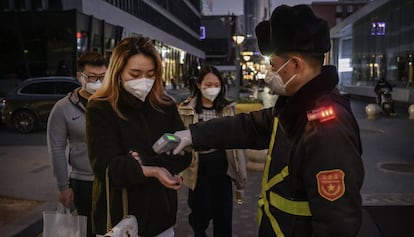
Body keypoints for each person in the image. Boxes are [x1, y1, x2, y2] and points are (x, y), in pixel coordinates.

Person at [166, 5, 365, 237]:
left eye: (273, 65)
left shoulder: (326, 128)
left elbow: (338, 224)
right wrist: (192, 135)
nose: (268, 74)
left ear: (296, 65)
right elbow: (248, 126)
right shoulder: (296, 109)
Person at [85, 35, 192, 237]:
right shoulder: (100, 107)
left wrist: (141, 162)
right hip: (119, 220)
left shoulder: (165, 106)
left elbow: (184, 154)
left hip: (161, 217)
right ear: (118, 72)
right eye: (135, 74)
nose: (144, 81)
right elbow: (105, 166)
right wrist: (154, 169)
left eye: (150, 74)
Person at [178, 65, 247, 237]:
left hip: (222, 166)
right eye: (208, 84)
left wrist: (240, 175)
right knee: (200, 213)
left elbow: (236, 144)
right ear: (199, 85)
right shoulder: (187, 109)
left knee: (223, 213)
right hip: (198, 167)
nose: (212, 88)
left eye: (216, 84)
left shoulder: (226, 108)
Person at [47, 51, 107, 237]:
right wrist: (64, 187)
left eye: (103, 77)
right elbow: (56, 148)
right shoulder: (63, 108)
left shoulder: (112, 103)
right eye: (92, 77)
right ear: (80, 77)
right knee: (88, 230)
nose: (98, 82)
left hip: (113, 179)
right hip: (83, 183)